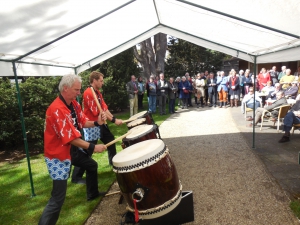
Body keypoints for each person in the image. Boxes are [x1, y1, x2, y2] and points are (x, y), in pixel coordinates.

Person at [39, 74, 107, 225]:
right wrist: (93, 147)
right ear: (65, 88)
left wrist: (97, 122)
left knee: (91, 165)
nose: (79, 93)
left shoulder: (74, 104)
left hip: (70, 152)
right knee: (57, 199)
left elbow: (83, 122)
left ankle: (92, 194)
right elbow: (71, 138)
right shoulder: (57, 109)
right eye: (76, 90)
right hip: (57, 157)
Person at [71, 71, 123, 184]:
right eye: (101, 81)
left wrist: (113, 119)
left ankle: (114, 164)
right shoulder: (88, 93)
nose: (102, 83)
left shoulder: (97, 93)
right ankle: (76, 177)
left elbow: (104, 107)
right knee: (87, 151)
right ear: (94, 80)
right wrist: (114, 120)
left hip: (100, 123)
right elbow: (99, 111)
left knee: (111, 141)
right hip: (91, 125)